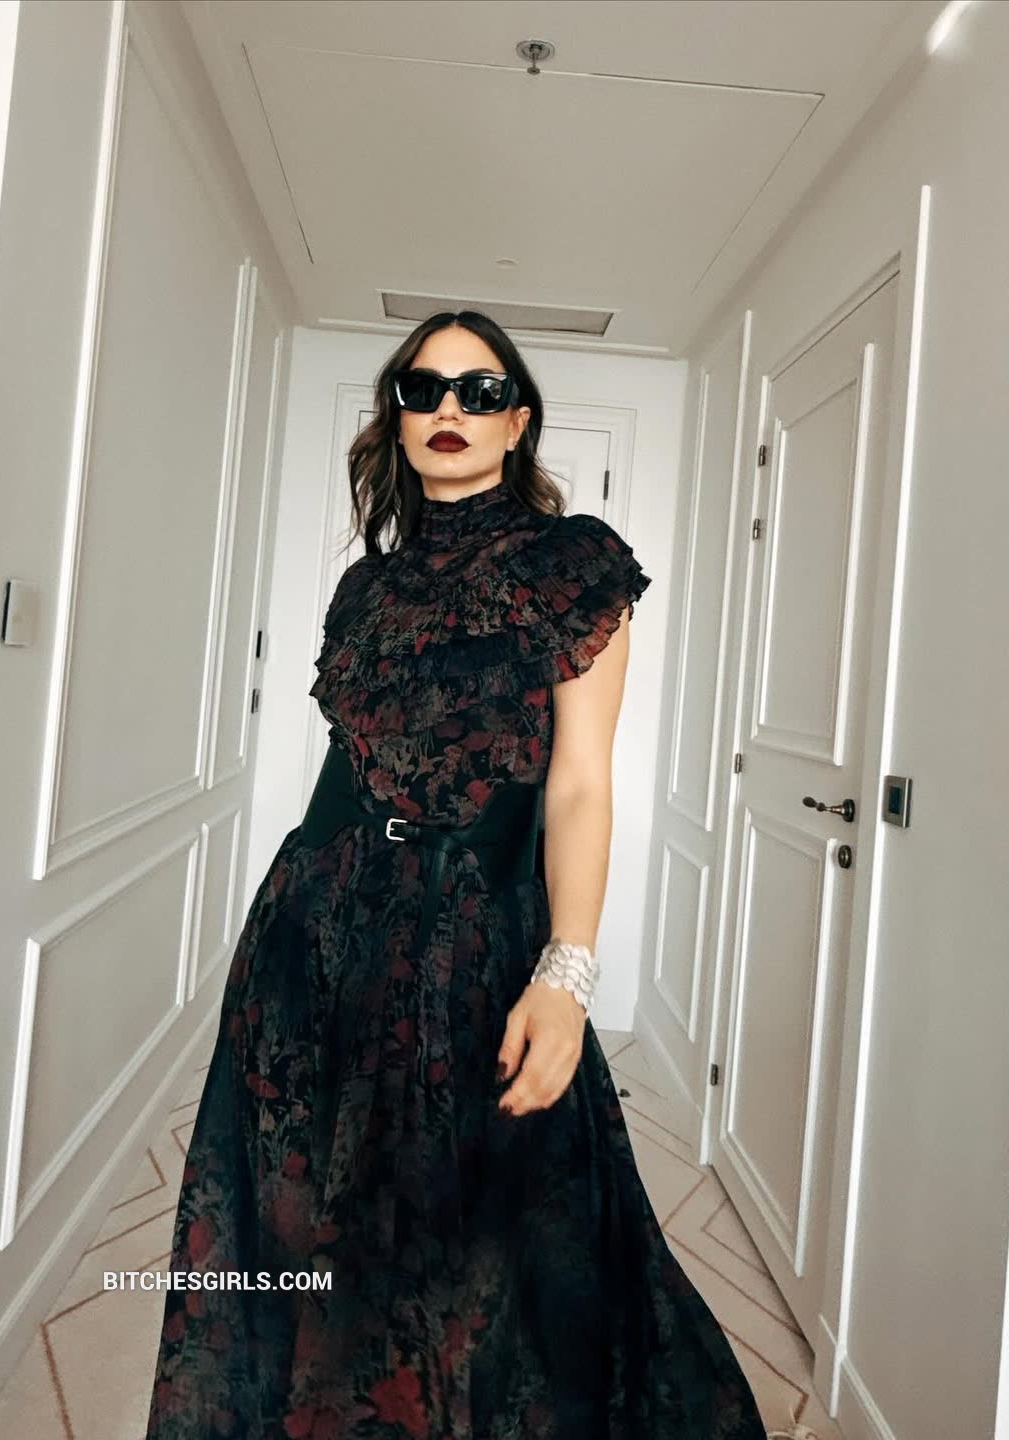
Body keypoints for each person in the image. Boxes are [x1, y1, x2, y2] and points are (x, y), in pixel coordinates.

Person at [144, 310, 766, 1439]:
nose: (449, 410)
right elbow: (349, 771)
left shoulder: (572, 567)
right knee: (297, 1217)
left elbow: (580, 786)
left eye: (480, 392)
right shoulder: (364, 591)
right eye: (424, 389)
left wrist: (567, 975)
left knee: (488, 1243)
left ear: (517, 422)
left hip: (471, 942)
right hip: (314, 934)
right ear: (398, 415)